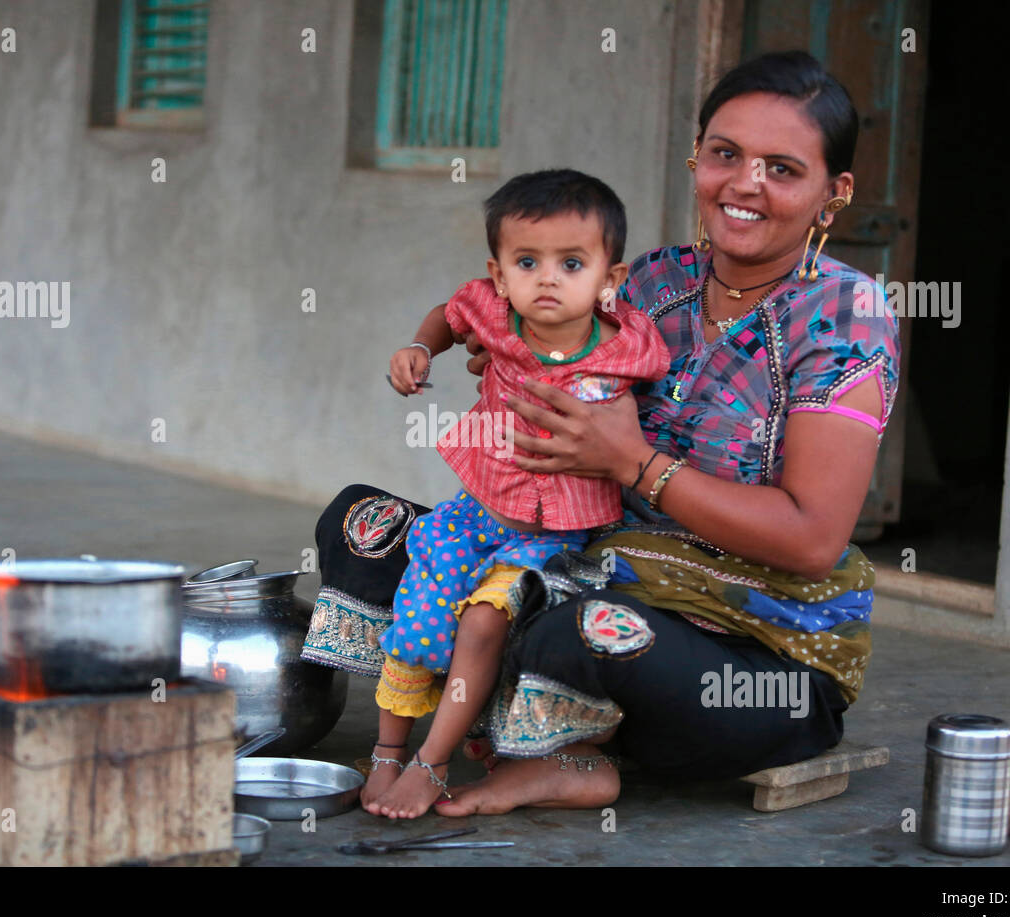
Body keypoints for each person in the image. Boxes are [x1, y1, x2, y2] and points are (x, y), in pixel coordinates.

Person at [303, 50, 900, 817]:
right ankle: (508, 724)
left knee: (584, 632)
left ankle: (568, 750)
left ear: (834, 192)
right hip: (570, 560)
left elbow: (814, 538)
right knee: (367, 526)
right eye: (725, 155)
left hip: (743, 649)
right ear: (697, 162)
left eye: (782, 169)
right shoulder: (652, 282)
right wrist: (505, 363)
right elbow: (528, 340)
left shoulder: (846, 315)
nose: (746, 184)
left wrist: (634, 463)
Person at [346, 170, 668, 818]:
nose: (547, 278)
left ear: (610, 279)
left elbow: (654, 400)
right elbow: (447, 314)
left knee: (484, 622)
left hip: (552, 540)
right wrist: (419, 347)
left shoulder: (630, 345)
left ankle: (432, 765)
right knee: (414, 630)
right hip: (475, 514)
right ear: (499, 274)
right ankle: (388, 750)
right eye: (528, 261)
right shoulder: (493, 316)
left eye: (572, 263)